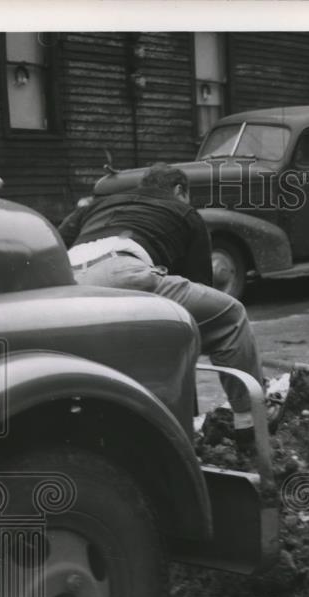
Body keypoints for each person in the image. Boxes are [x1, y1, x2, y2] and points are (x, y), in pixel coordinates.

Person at [59, 163, 271, 447]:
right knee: (230, 317)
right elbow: (199, 290)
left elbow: (57, 241)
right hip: (121, 271)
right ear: (179, 190)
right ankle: (249, 423)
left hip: (67, 281)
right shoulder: (184, 211)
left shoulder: (100, 204)